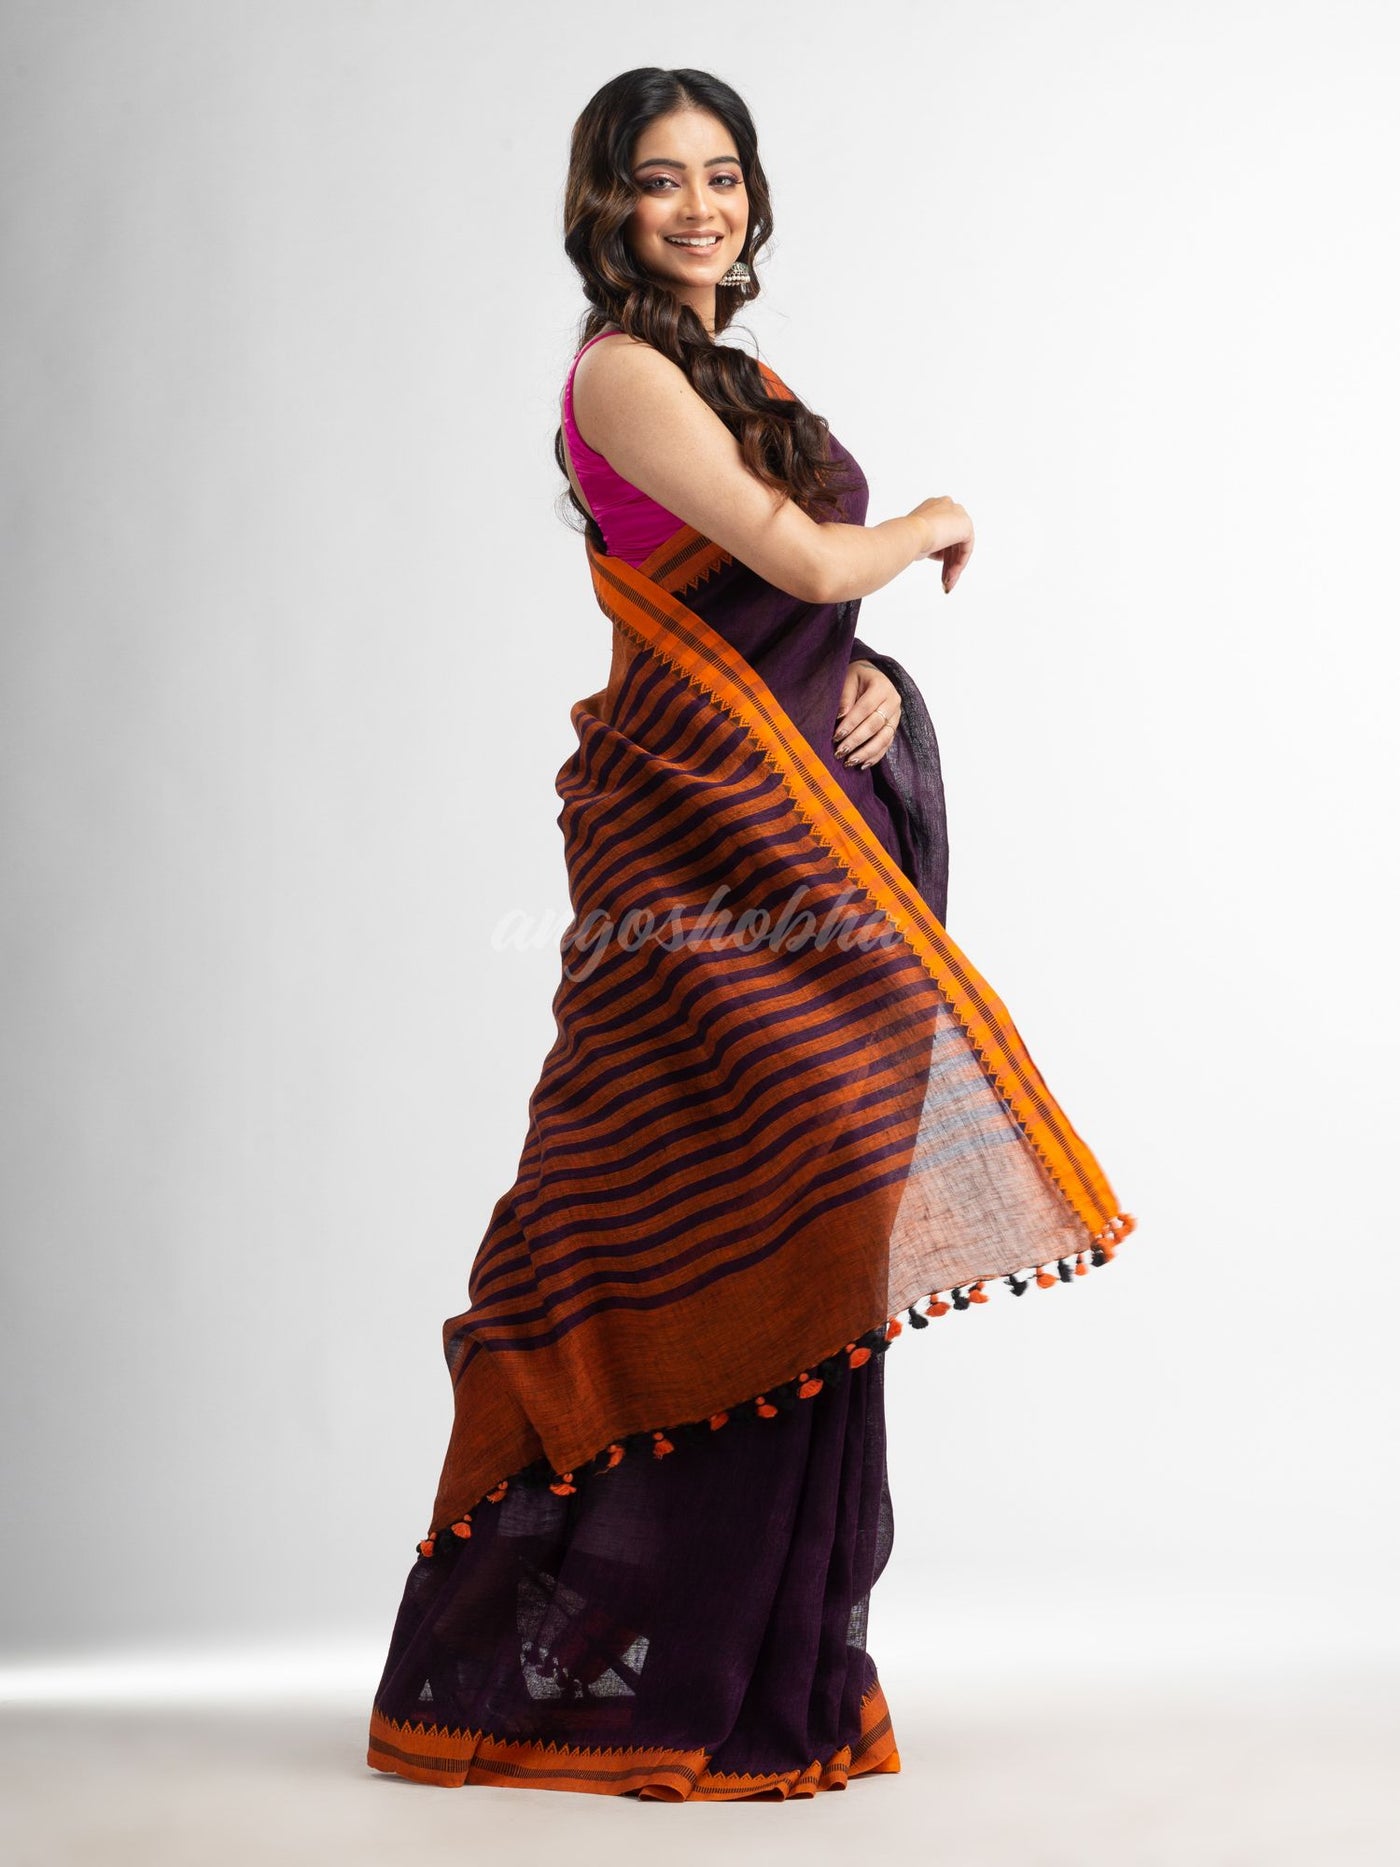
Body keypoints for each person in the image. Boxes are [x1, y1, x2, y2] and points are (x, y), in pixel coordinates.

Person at [366, 67, 1132, 1802]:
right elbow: (799, 560)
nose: (699, 206)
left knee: (818, 1218)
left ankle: (758, 1662)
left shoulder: (739, 376)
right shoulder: (621, 374)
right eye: (662, 180)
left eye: (722, 174)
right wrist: (933, 522)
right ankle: (560, 1675)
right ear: (608, 205)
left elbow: (797, 618)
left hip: (787, 823)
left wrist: (874, 684)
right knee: (651, 1220)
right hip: (692, 855)